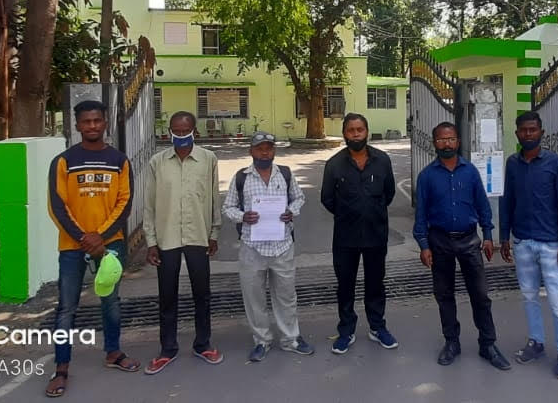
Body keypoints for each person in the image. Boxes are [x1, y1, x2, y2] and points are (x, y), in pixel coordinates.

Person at [45, 100, 140, 397]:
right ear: (77, 125)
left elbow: (125, 203)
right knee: (66, 307)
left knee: (111, 302)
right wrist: (83, 237)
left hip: (110, 245)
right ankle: (61, 367)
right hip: (72, 246)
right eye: (86, 121)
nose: (92, 126)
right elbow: (57, 205)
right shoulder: (64, 161)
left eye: (97, 120)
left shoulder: (119, 160)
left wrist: (100, 236)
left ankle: (113, 352)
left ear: (105, 123)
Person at [413, 122, 510, 370]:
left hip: (469, 240)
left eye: (451, 139)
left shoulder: (471, 172)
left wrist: (488, 235)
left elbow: (482, 205)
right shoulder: (426, 176)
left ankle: (488, 344)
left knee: (480, 295)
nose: (446, 143)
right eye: (441, 139)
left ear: (458, 141)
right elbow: (421, 215)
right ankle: (451, 342)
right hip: (439, 241)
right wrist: (423, 245)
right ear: (434, 143)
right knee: (444, 295)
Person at [222, 131, 315, 362]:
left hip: (282, 246)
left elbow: (299, 198)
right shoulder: (241, 177)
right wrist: (243, 216)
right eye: (260, 148)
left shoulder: (285, 174)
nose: (265, 152)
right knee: (254, 298)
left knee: (286, 296)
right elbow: (228, 207)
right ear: (251, 151)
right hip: (252, 247)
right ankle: (261, 340)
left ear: (274, 151)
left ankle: (290, 339)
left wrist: (291, 211)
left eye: (269, 148)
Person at [500, 111, 558, 380]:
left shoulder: (555, 163)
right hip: (522, 242)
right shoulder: (512, 163)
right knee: (529, 296)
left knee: (557, 300)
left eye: (533, 129)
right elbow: (507, 201)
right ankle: (536, 342)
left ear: (541, 133)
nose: (528, 134)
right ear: (517, 134)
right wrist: (504, 237)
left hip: (550, 244)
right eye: (523, 130)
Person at [144, 111, 223, 374]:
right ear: (169, 131)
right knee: (167, 295)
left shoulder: (208, 159)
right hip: (166, 237)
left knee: (202, 293)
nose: (180, 135)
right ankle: (168, 348)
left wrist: (214, 233)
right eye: (175, 131)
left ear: (194, 131)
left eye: (184, 131)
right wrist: (151, 241)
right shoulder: (157, 162)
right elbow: (149, 204)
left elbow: (214, 199)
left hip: (198, 235)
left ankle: (203, 344)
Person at [321, 113, 397, 354]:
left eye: (360, 129)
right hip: (346, 236)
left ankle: (377, 327)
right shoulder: (334, 164)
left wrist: (371, 211)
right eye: (351, 130)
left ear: (367, 131)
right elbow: (327, 198)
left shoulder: (382, 160)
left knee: (376, 283)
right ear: (344, 134)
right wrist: (349, 213)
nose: (356, 134)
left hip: (376, 234)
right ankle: (346, 330)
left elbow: (389, 193)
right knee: (345, 285)